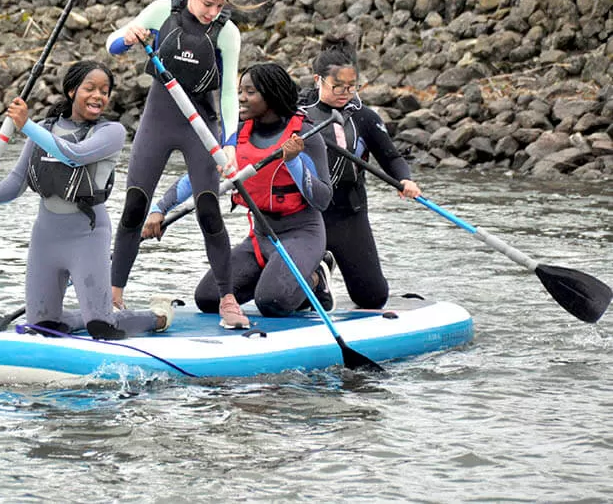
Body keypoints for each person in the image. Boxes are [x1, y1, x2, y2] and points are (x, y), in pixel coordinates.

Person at [0, 60, 174, 340]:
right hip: (46, 238)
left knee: (103, 328)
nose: (98, 96)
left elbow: (75, 155)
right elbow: (17, 181)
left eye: (104, 91)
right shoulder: (44, 128)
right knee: (43, 326)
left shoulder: (111, 132)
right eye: (90, 88)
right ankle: (83, 316)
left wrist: (26, 125)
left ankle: (158, 316)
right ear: (72, 91)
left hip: (87, 237)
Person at [105, 0, 248, 328]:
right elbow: (111, 44)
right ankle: (113, 297)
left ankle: (228, 299)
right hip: (159, 119)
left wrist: (229, 143)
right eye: (206, 3)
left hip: (201, 126)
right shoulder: (162, 12)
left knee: (208, 211)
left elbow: (229, 93)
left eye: (219, 5)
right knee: (135, 206)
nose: (212, 12)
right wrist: (127, 38)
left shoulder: (227, 33)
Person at [143, 63, 335, 318]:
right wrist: (159, 209)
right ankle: (279, 279)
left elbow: (322, 199)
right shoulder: (234, 137)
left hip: (302, 234)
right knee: (209, 298)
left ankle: (316, 277)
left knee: (272, 302)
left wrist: (293, 162)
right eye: (240, 91)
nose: (241, 98)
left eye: (250, 92)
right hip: (260, 236)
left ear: (271, 95)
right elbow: (197, 176)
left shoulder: (306, 136)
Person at [298, 36, 422, 309]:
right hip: (306, 215)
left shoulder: (364, 117)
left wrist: (405, 179)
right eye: (337, 86)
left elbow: (391, 157)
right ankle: (317, 274)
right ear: (318, 80)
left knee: (372, 298)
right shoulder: (298, 116)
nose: (345, 93)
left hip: (349, 214)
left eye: (351, 86)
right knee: (297, 302)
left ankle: (326, 263)